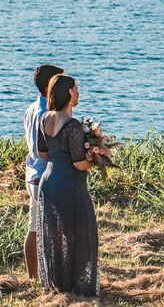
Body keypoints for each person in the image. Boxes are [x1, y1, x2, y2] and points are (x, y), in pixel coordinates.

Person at [37, 74, 99, 296]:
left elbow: (43, 153)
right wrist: (95, 158)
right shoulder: (72, 125)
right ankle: (79, 286)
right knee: (81, 231)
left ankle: (58, 284)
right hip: (70, 185)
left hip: (49, 182)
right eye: (77, 88)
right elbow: (79, 164)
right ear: (70, 92)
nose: (78, 92)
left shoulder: (44, 119)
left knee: (54, 234)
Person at [23, 64, 63, 278]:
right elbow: (45, 149)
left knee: (34, 226)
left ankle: (34, 276)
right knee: (47, 229)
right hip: (44, 175)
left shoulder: (31, 108)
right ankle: (48, 275)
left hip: (33, 172)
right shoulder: (46, 112)